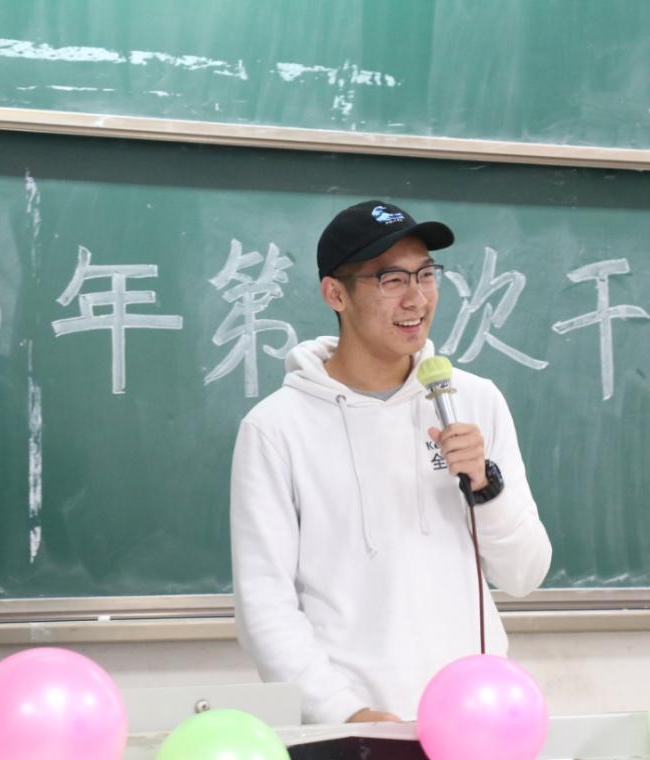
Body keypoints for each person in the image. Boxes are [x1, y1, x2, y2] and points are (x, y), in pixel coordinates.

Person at [230, 199, 552, 724]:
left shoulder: (474, 400)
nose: (417, 298)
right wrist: (345, 713)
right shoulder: (276, 428)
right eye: (391, 280)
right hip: (353, 727)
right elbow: (264, 606)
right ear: (336, 293)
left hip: (474, 717)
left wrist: (485, 487)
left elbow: (525, 574)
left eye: (426, 275)